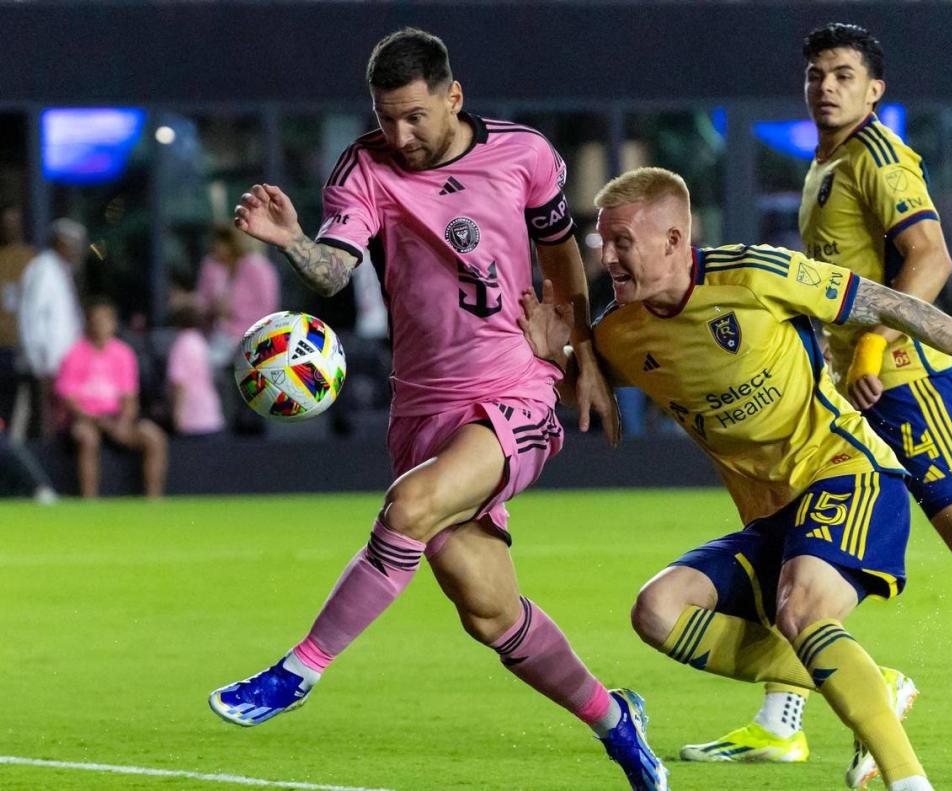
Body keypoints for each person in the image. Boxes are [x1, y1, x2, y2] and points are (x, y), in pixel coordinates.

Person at [207, 27, 666, 791]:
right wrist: (290, 240)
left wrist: (579, 350)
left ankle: (297, 670)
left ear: (454, 97)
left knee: (411, 505)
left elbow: (558, 252)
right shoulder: (364, 167)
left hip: (516, 390)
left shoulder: (524, 154)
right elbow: (333, 270)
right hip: (422, 405)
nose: (400, 134)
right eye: (387, 117)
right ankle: (617, 719)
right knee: (488, 610)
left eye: (415, 116)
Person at [520, 166, 952, 791]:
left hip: (847, 472)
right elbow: (584, 393)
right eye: (601, 240)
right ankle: (876, 685)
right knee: (658, 611)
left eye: (622, 241)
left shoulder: (755, 273)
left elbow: (892, 304)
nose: (606, 255)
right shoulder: (622, 332)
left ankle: (909, 782)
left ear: (676, 239)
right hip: (772, 516)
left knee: (801, 611)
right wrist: (558, 358)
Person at [685, 24, 952, 787]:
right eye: (815, 74)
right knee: (794, 532)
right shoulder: (826, 162)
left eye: (843, 74)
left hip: (907, 382)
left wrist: (869, 353)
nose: (825, 86)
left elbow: (930, 255)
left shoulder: (876, 155)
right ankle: (783, 721)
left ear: (875, 91)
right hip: (853, 391)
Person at [56, 296, 167, 498]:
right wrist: (95, 419)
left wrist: (124, 421)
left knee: (154, 437)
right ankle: (90, 502)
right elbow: (69, 398)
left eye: (105, 321)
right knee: (87, 438)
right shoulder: (74, 354)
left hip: (116, 419)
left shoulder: (123, 354)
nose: (100, 326)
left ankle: (154, 501)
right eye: (96, 321)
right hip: (86, 420)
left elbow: (130, 396)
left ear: (114, 324)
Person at [18, 218, 85, 438]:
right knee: (47, 421)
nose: (77, 250)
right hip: (49, 363)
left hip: (66, 361)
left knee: (62, 419)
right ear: (60, 243)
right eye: (73, 244)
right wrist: (40, 362)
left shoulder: (63, 269)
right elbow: (32, 319)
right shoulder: (43, 268)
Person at [196, 223, 280, 367]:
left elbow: (268, 308)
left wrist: (233, 310)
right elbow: (202, 301)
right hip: (215, 336)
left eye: (222, 243)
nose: (216, 247)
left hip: (247, 339)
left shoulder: (257, 268)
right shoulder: (212, 267)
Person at [0, 205, 36, 429]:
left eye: (15, 222)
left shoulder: (33, 258)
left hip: (26, 343)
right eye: (6, 222)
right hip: (3, 341)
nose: (10, 227)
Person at [166, 302, 225, 437]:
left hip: (191, 417)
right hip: (211, 415)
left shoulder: (181, 345)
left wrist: (177, 415)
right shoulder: (200, 342)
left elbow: (179, 383)